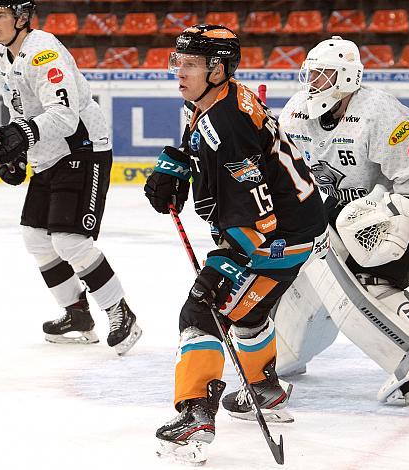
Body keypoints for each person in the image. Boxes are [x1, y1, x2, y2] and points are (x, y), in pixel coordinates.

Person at [144, 25, 328, 465]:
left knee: (204, 309)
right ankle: (265, 389)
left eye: (189, 64)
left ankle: (195, 415)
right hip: (291, 224)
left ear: (218, 68)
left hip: (276, 236)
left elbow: (255, 209)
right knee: (250, 311)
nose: (179, 72)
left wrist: (228, 264)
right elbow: (200, 143)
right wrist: (175, 167)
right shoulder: (217, 99)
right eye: (178, 62)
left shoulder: (226, 123)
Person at [275, 36, 409, 404]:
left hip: (404, 207)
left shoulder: (379, 112)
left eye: (323, 75)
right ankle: (285, 352)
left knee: (371, 281)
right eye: (310, 74)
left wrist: (393, 225)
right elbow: (284, 174)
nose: (313, 83)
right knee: (303, 266)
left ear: (347, 77)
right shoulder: (296, 110)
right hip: (340, 210)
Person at [0, 0, 141, 354]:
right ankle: (77, 314)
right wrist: (17, 154)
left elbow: (65, 117)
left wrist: (22, 135)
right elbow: (21, 111)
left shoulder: (44, 52)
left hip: (81, 147)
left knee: (70, 240)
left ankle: (121, 312)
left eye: (0, 15)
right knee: (36, 237)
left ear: (22, 18)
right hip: (48, 153)